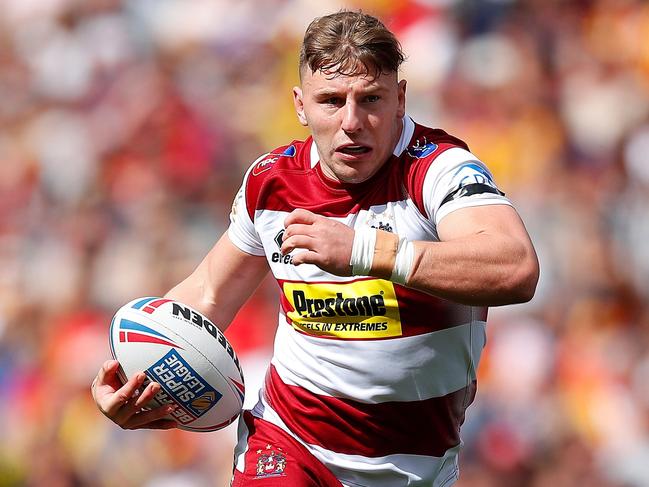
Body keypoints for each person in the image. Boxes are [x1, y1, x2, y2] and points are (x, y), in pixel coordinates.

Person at [91, 10, 539, 487]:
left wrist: (366, 252)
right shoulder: (272, 183)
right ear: (301, 106)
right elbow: (208, 295)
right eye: (331, 101)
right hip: (287, 443)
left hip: (415, 466)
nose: (352, 122)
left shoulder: (438, 169)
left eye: (370, 99)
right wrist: (138, 377)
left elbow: (515, 267)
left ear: (401, 100)